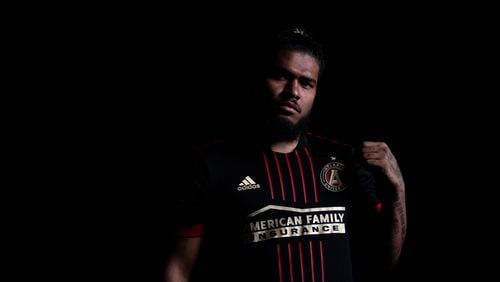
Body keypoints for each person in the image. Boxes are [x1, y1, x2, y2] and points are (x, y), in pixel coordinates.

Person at [165, 27, 407, 282]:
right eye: (281, 76)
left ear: (315, 93)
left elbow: (383, 261)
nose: (293, 91)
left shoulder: (343, 159)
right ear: (259, 79)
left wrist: (398, 190)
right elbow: (178, 268)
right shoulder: (214, 163)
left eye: (306, 83)